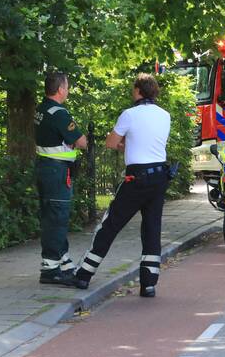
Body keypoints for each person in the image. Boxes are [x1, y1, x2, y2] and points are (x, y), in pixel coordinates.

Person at [73, 74, 172, 297]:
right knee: (152, 229)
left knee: (110, 224)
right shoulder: (165, 115)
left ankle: (84, 275)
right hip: (159, 177)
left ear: (138, 90)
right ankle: (148, 284)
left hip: (136, 178)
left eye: (133, 88)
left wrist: (124, 145)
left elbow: (110, 143)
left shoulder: (130, 114)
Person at [34, 72, 89, 285]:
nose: (68, 90)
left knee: (50, 215)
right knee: (57, 217)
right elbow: (82, 141)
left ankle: (63, 262)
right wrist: (74, 142)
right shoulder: (59, 113)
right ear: (60, 90)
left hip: (45, 168)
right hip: (57, 171)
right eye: (67, 86)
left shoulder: (41, 109)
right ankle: (50, 269)